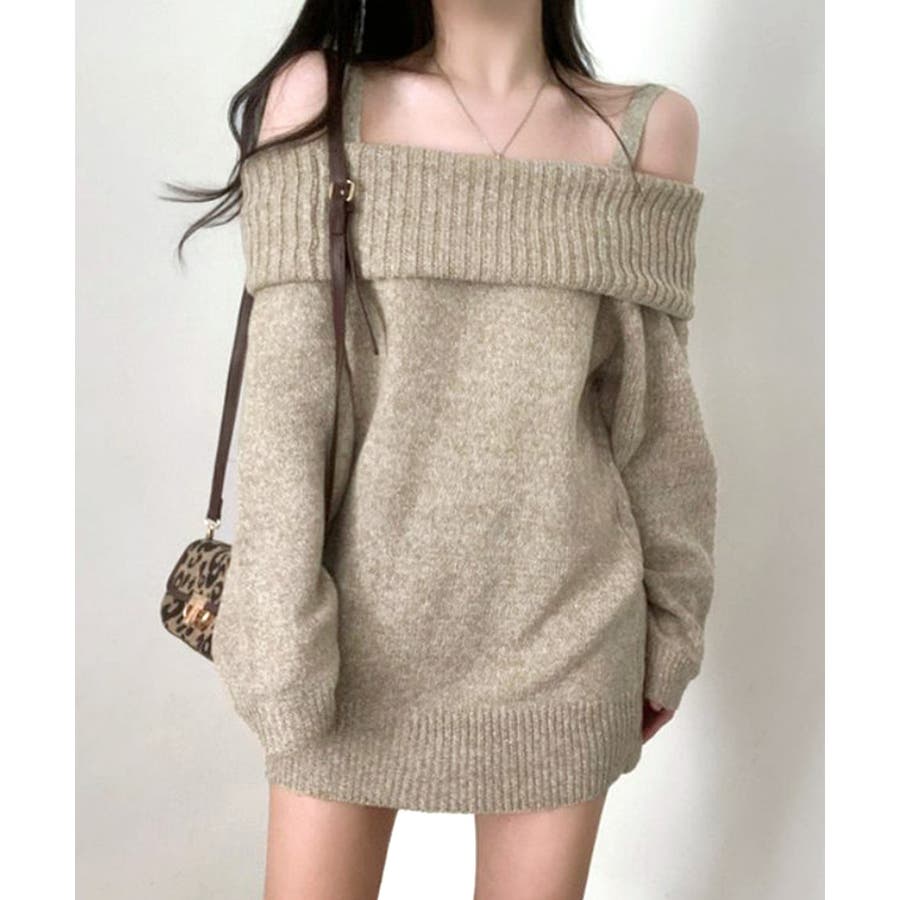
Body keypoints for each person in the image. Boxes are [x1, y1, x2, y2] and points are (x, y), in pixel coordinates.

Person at [168, 1, 718, 897]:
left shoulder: (648, 131)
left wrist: (671, 634)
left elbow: (659, 430)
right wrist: (277, 652)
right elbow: (285, 415)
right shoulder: (320, 100)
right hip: (343, 644)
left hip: (567, 646)